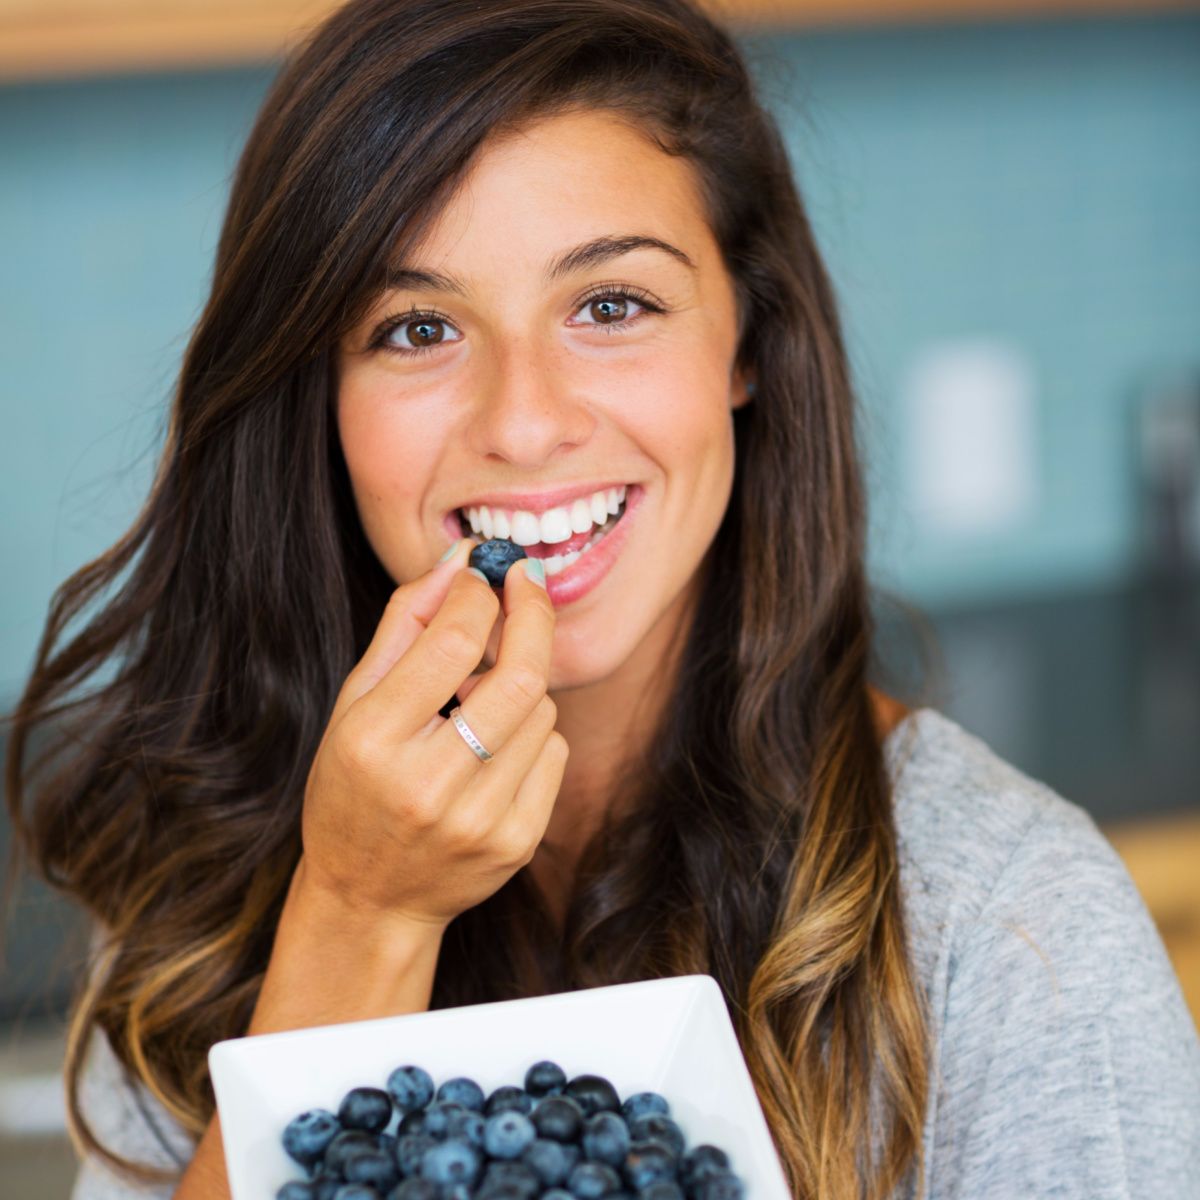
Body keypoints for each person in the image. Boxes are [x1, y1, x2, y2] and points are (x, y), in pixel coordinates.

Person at [5, 1, 1198, 1198]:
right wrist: (358, 915)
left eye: (612, 306)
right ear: (317, 398)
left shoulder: (1007, 927)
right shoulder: (214, 879)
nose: (524, 423)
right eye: (416, 328)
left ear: (747, 341)